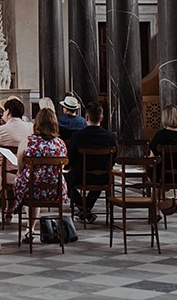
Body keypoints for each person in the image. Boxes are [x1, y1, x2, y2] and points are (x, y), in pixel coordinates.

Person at [12, 108, 69, 244]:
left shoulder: (27, 141)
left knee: (28, 181)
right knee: (38, 183)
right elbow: (61, 168)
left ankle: (29, 229)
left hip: (30, 190)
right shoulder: (60, 144)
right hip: (55, 191)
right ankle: (31, 229)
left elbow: (20, 168)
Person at [66, 104, 117, 223]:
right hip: (104, 177)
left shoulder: (77, 136)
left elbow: (71, 159)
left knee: (62, 180)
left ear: (86, 118)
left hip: (81, 176)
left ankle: (84, 209)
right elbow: (114, 158)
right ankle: (86, 210)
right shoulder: (110, 137)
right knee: (100, 176)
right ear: (102, 118)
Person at [149, 104, 177, 188]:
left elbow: (152, 158)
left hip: (164, 177)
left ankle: (159, 195)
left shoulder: (161, 135)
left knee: (150, 168)